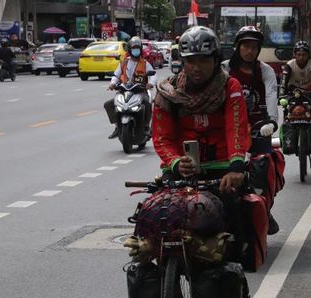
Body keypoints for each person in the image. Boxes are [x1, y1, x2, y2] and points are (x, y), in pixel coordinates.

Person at [152, 25, 250, 194]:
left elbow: (235, 128)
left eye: (203, 61)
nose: (196, 68)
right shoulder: (167, 92)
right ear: (183, 62)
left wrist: (236, 168)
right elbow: (161, 138)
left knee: (247, 211)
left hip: (223, 167)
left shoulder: (230, 86)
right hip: (178, 171)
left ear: (216, 60)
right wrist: (176, 162)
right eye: (190, 61)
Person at [221, 26, 282, 235]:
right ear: (237, 47)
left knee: (262, 168)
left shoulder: (266, 71)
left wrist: (272, 122)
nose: (250, 51)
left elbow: (272, 95)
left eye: (254, 47)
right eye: (246, 46)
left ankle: (264, 206)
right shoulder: (224, 69)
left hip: (258, 129)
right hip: (229, 130)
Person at [280, 40, 311, 169]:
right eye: (298, 54)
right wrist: (281, 97)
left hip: (309, 94)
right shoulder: (289, 65)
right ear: (294, 54)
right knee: (286, 114)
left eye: (304, 54)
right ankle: (289, 141)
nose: (301, 57)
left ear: (308, 55)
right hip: (292, 93)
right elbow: (283, 83)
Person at [104, 36, 157, 139]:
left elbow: (153, 76)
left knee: (147, 103)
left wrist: (151, 83)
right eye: (134, 48)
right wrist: (113, 84)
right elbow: (116, 75)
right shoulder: (123, 62)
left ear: (140, 50)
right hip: (124, 91)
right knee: (109, 104)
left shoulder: (145, 63)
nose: (136, 50)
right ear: (129, 49)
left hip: (140, 91)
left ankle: (146, 127)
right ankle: (116, 127)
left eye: (137, 48)